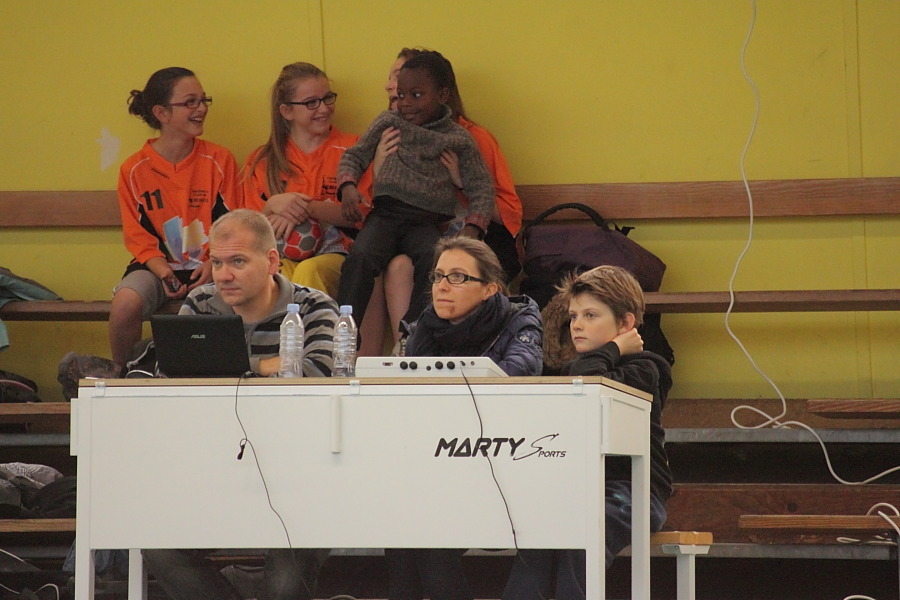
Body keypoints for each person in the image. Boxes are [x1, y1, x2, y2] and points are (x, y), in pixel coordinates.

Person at [143, 209, 338, 599]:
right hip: (215, 471)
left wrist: (222, 369)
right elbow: (176, 379)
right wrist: (262, 367)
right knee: (157, 544)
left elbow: (316, 375)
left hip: (300, 477)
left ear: (271, 261)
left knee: (284, 587)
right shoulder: (200, 303)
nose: (223, 275)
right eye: (216, 263)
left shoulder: (314, 308)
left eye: (237, 262)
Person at [501, 266, 672, 600]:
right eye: (573, 316)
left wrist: (614, 349)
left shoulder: (646, 368)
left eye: (590, 315)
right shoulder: (577, 369)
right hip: (582, 490)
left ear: (625, 323)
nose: (577, 325)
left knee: (586, 532)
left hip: (633, 492)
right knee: (537, 537)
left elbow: (592, 383)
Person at [386, 236, 543, 600]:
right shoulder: (425, 325)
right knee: (400, 528)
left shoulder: (519, 319)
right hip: (440, 467)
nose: (442, 286)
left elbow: (516, 373)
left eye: (457, 277)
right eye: (438, 276)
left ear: (489, 288)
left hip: (503, 467)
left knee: (428, 540)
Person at [360, 48, 524, 354]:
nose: (391, 87)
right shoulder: (390, 131)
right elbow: (370, 206)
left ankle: (425, 347)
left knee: (432, 262)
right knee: (382, 264)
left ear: (437, 92)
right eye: (395, 81)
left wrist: (462, 183)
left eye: (400, 80)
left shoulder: (471, 137)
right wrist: (379, 166)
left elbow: (510, 215)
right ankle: (400, 351)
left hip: (474, 237)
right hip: (413, 234)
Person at [335, 50, 494, 336]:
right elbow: (354, 156)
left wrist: (473, 229)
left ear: (443, 95)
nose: (406, 103)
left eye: (417, 95)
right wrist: (347, 187)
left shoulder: (458, 138)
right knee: (360, 258)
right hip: (385, 216)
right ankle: (343, 332)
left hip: (425, 222)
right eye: (401, 95)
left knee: (435, 262)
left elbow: (482, 188)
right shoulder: (388, 121)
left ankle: (412, 332)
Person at [109, 66, 240, 368]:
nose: (201, 108)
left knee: (234, 303)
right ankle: (122, 376)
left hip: (213, 264)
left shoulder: (219, 160)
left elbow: (234, 221)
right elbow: (136, 234)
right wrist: (162, 270)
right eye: (190, 102)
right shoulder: (133, 169)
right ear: (162, 113)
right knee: (125, 304)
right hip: (155, 266)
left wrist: (215, 261)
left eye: (203, 100)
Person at [242, 62, 373, 299]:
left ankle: (308, 324)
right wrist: (271, 206)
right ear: (287, 111)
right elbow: (248, 232)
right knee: (269, 272)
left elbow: (363, 215)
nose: (324, 108)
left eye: (328, 98)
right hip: (283, 255)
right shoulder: (262, 161)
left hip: (340, 254)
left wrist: (305, 208)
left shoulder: (354, 149)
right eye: (311, 102)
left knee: (309, 271)